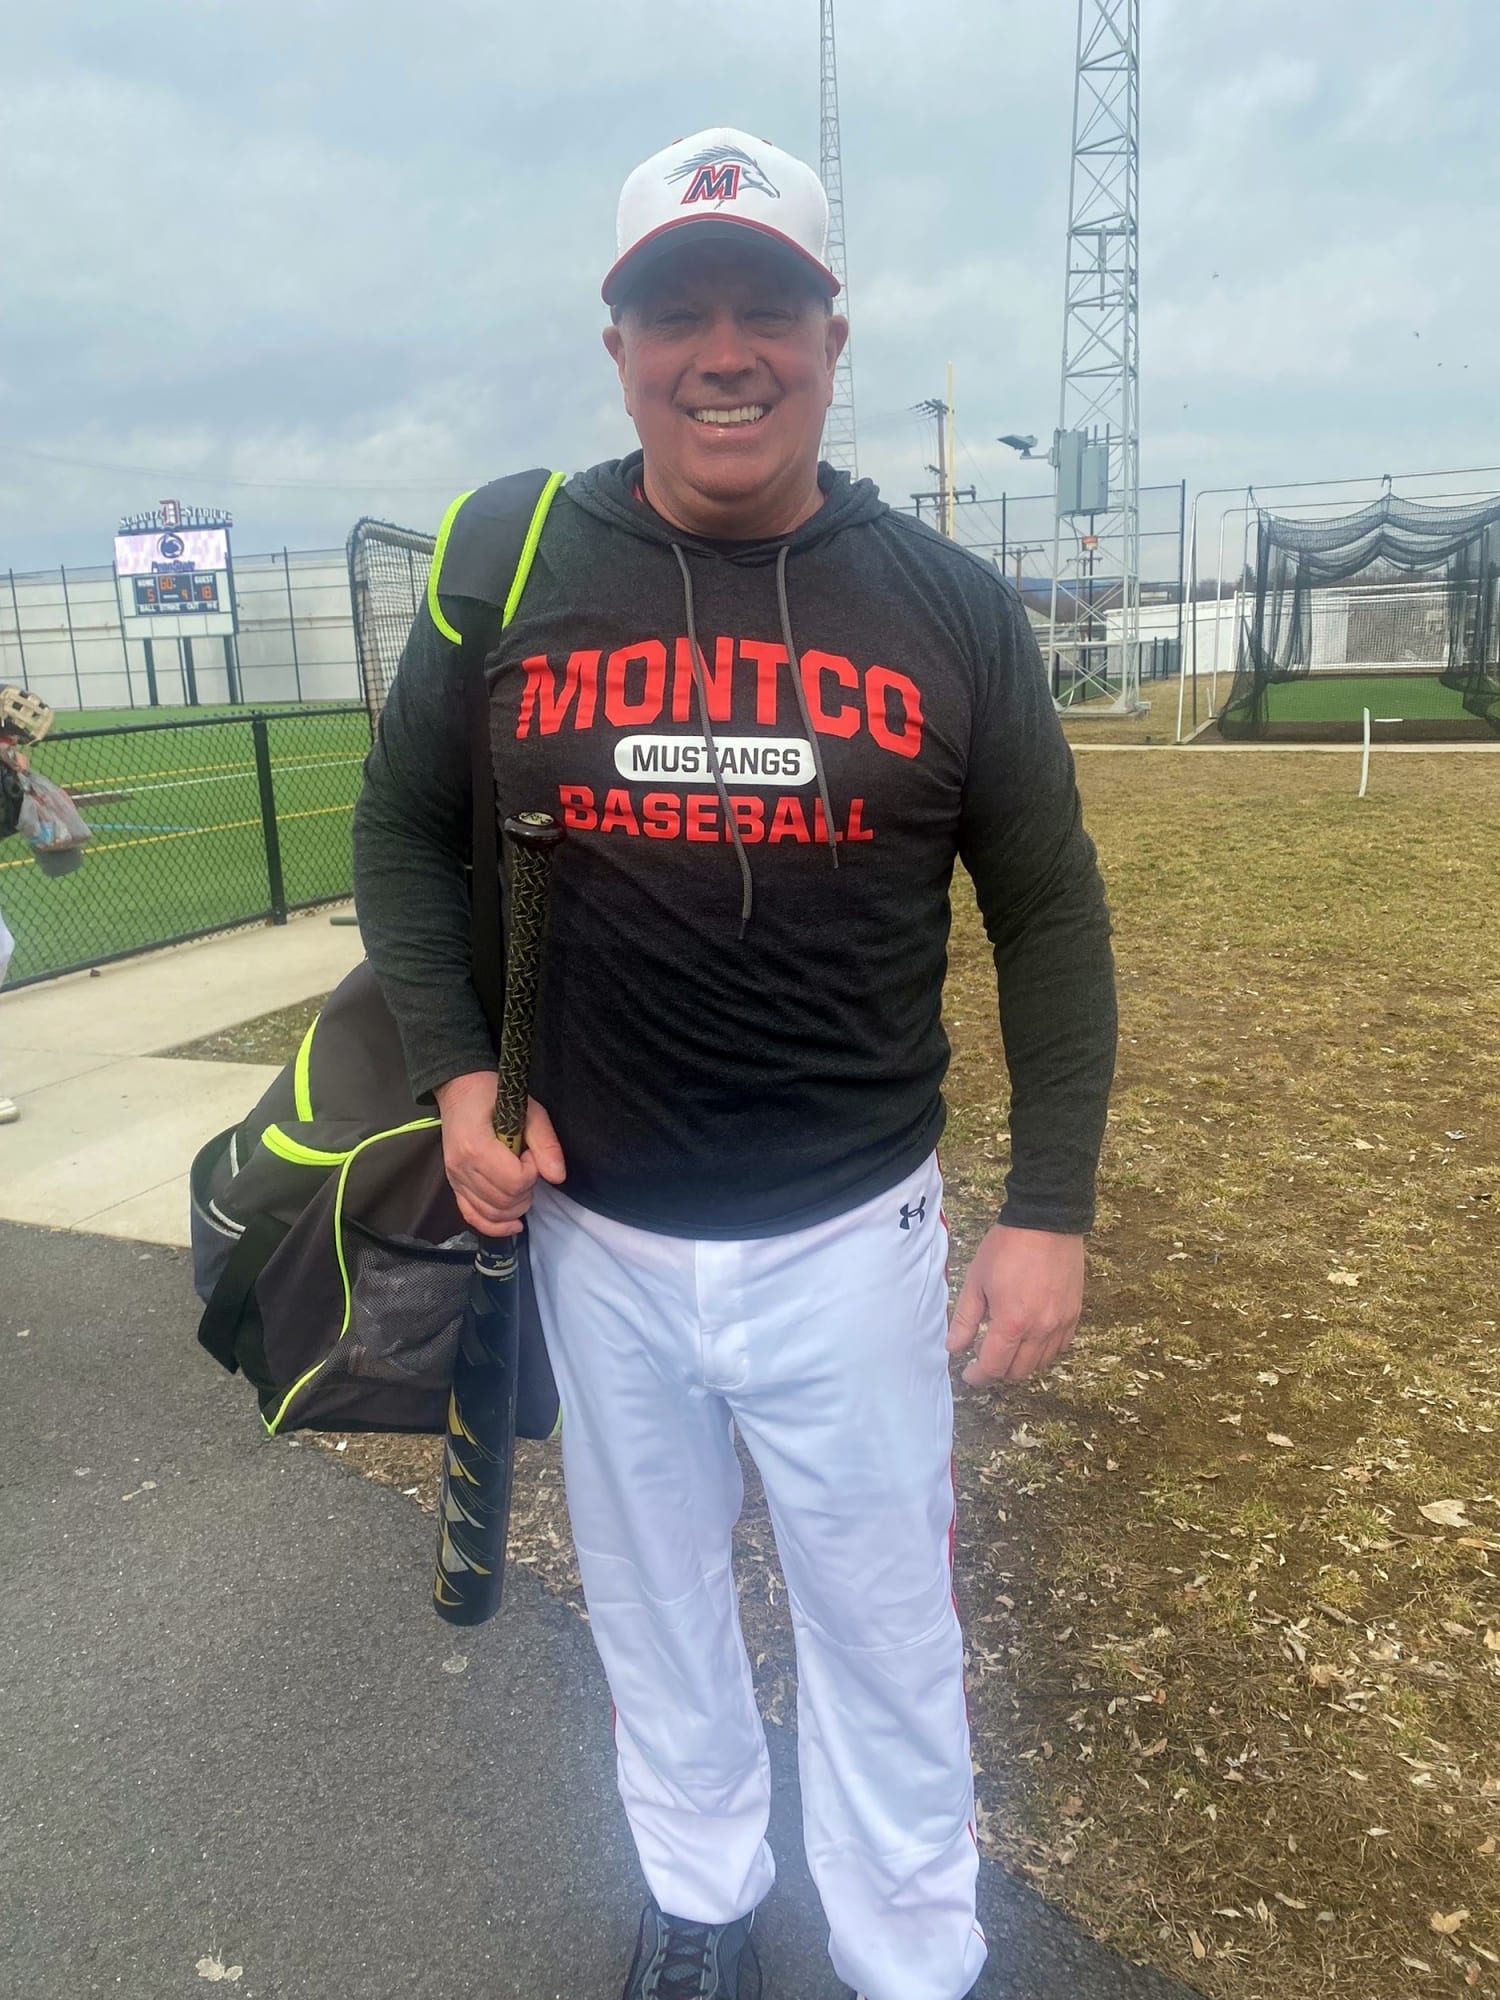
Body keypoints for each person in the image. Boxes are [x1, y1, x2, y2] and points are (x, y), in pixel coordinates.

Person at [353, 127, 1116, 2000]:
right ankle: (701, 1900)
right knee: (660, 1612)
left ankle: (910, 1952)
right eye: (674, 311)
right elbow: (394, 830)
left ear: (830, 338)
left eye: (763, 308)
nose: (723, 350)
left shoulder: (942, 604)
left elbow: (1052, 913)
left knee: (882, 1628)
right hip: (596, 1234)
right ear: (617, 348)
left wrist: (1051, 1209)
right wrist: (459, 1077)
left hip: (849, 1237)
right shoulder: (512, 559)